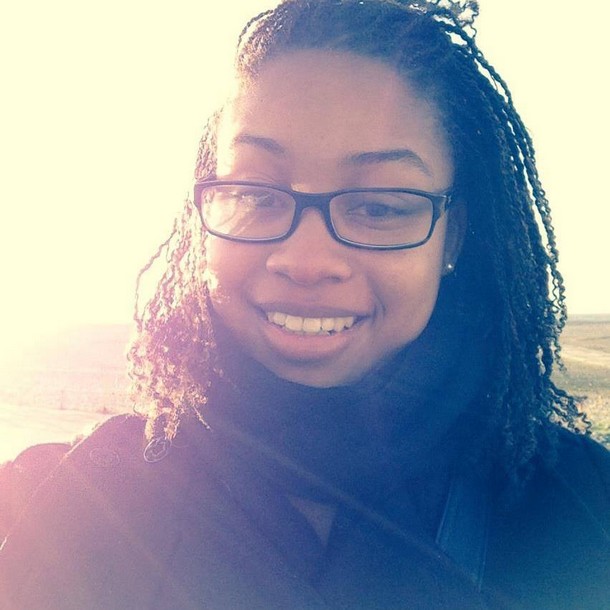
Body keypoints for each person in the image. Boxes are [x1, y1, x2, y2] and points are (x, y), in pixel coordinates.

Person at [1, 0, 609, 608]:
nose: (307, 259)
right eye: (256, 194)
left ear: (453, 237)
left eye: (378, 206)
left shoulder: (583, 513)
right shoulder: (71, 505)